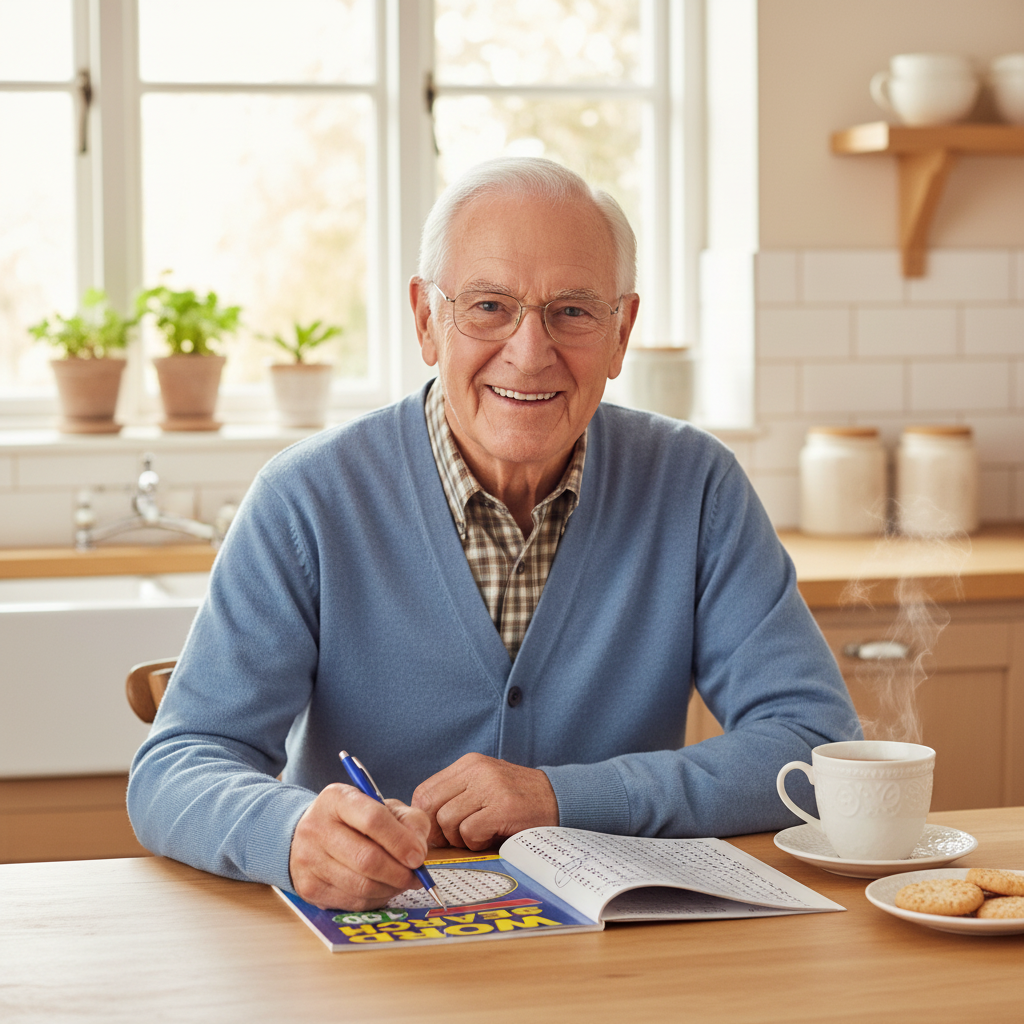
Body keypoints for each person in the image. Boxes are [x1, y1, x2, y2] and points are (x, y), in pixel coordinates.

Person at [128, 157, 860, 912]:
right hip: (373, 971)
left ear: (622, 332)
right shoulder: (306, 498)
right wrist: (289, 834)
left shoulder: (696, 486)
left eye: (573, 311)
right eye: (488, 307)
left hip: (622, 965)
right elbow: (175, 767)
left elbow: (812, 743)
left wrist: (560, 796)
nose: (530, 350)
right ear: (426, 321)